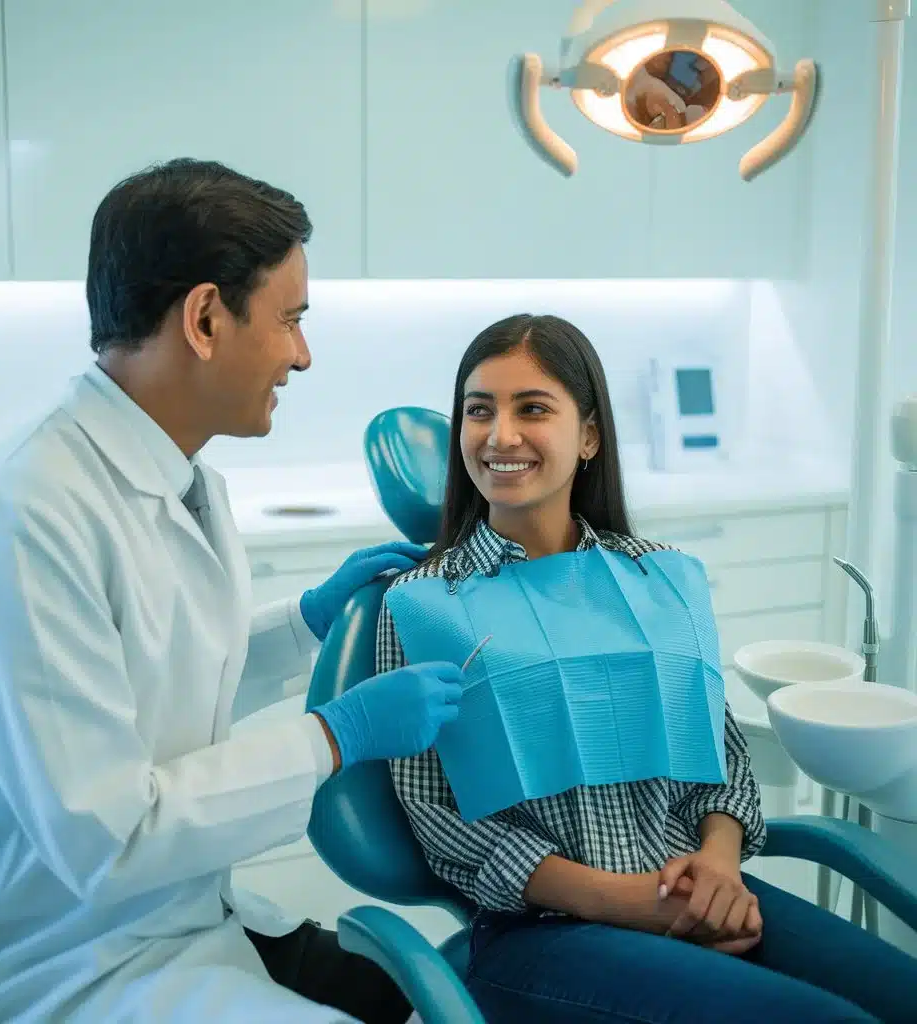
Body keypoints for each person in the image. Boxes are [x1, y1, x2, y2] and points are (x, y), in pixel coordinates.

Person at [0, 159, 465, 1023]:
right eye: (289, 321)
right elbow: (114, 838)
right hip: (65, 968)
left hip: (180, 921)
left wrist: (305, 624)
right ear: (205, 319)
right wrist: (335, 737)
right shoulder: (27, 512)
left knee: (426, 996)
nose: (302, 355)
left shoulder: (177, 475)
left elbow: (150, 691)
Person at [378, 313, 917, 1023]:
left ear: (589, 436)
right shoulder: (423, 602)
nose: (500, 435)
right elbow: (437, 815)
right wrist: (632, 902)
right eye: (479, 411)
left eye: (532, 408)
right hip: (541, 933)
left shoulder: (661, 578)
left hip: (696, 886)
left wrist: (718, 866)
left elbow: (721, 757)